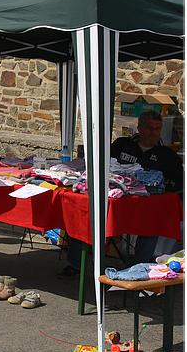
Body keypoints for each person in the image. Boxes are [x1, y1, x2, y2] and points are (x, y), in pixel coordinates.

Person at [61, 110, 184, 276]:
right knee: (83, 213)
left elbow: (177, 184)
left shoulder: (167, 156)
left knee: (151, 226)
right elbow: (100, 165)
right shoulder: (121, 144)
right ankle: (75, 265)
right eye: (148, 127)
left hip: (143, 206)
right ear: (139, 128)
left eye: (157, 128)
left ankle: (138, 271)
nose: (152, 132)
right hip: (113, 201)